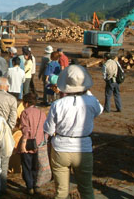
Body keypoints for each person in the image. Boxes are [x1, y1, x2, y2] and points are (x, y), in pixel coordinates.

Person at [44, 65, 103, 199]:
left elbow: (49, 129)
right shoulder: (91, 101)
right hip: (84, 148)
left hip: (61, 148)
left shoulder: (58, 104)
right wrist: (87, 91)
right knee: (86, 189)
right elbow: (100, 110)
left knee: (61, 191)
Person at [0, 77, 18, 193]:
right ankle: (2, 187)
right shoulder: (12, 99)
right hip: (4, 131)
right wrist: (8, 129)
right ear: (6, 86)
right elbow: (13, 118)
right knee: (4, 160)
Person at [19, 93, 47, 195]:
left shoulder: (25, 113)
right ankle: (36, 185)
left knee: (27, 166)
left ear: (26, 103)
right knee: (36, 166)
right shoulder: (42, 113)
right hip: (39, 144)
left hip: (28, 144)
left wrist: (23, 143)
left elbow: (25, 130)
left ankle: (29, 186)